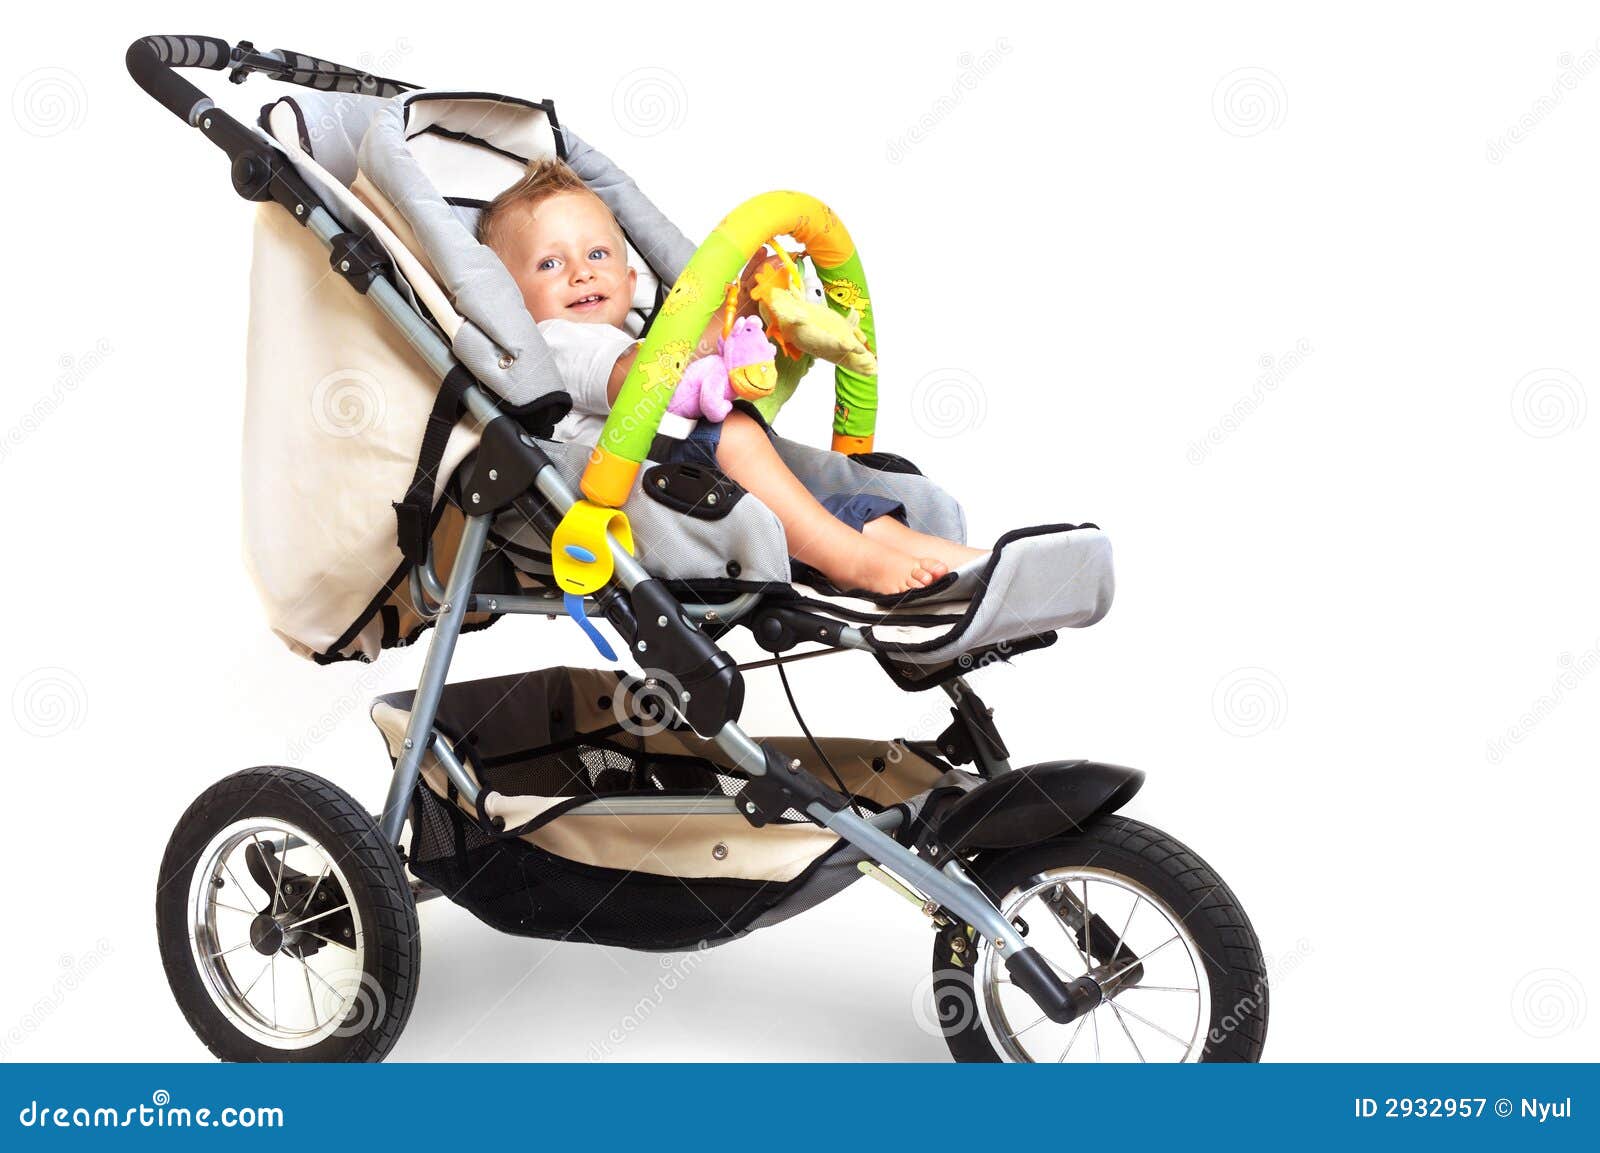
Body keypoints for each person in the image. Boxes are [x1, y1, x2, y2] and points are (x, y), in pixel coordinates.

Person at [478, 159, 984, 595]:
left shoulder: (633, 329)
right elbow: (639, 378)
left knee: (829, 504)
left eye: (597, 254)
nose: (581, 273)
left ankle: (960, 563)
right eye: (549, 263)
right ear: (513, 300)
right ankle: (852, 562)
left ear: (631, 282)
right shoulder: (551, 343)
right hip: (638, 487)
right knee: (737, 435)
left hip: (693, 472)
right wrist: (717, 324)